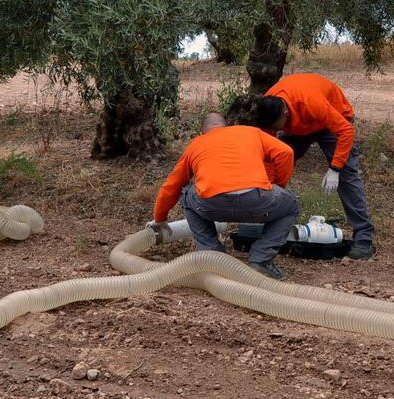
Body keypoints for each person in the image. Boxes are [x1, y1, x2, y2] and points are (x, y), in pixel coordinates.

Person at [241, 73, 376, 260]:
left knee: (346, 175)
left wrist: (335, 169)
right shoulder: (269, 107)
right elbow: (270, 146)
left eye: (276, 127)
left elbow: (346, 131)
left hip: (334, 120)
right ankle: (266, 220)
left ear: (285, 114)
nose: (276, 131)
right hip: (301, 125)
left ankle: (364, 237)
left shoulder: (312, 103)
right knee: (271, 164)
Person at [151, 112, 299, 280]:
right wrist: (277, 187)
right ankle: (261, 261)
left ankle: (212, 255)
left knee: (187, 194)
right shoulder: (250, 132)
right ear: (226, 126)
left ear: (203, 132)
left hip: (211, 204)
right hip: (257, 200)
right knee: (291, 205)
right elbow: (286, 152)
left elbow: (172, 186)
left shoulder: (196, 144)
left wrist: (160, 219)